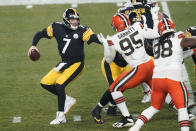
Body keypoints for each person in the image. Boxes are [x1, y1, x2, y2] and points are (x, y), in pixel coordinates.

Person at [28, 8, 101, 125]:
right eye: (72, 19)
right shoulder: (56, 27)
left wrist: (104, 41)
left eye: (76, 19)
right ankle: (67, 99)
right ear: (66, 20)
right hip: (64, 63)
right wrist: (33, 46)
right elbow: (40, 34)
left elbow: (93, 38)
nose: (75, 22)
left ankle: (61, 116)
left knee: (60, 84)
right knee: (45, 82)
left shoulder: (82, 30)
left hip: (77, 64)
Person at [129, 18, 196, 131]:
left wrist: (191, 52)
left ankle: (135, 128)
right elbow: (189, 43)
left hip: (157, 80)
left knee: (154, 107)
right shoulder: (178, 36)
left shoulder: (156, 43)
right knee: (182, 109)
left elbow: (175, 54)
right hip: (173, 78)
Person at [98, 11, 159, 128]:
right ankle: (184, 111)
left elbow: (109, 59)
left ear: (115, 26)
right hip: (150, 64)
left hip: (139, 68)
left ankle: (127, 118)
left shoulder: (113, 39)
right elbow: (154, 34)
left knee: (115, 88)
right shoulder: (136, 26)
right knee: (160, 91)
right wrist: (154, 18)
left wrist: (106, 45)